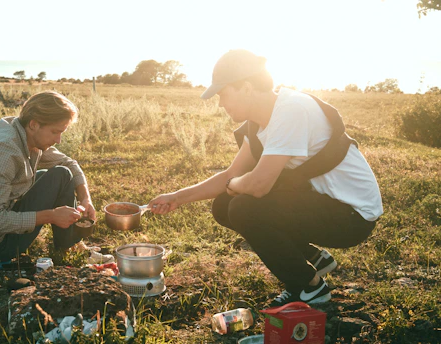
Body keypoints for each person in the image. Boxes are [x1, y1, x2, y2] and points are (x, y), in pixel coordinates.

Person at [148, 49, 383, 306]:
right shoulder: (258, 124)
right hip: (320, 202)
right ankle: (314, 257)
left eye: (223, 94)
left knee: (244, 206)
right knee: (224, 206)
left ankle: (309, 287)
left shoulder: (291, 110)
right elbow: (230, 175)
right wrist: (177, 197)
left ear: (246, 87)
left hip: (352, 216)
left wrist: (232, 185)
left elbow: (258, 186)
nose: (221, 104)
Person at [0, 91, 96, 264]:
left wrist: (85, 198)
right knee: (59, 175)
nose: (58, 140)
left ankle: (68, 244)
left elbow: (69, 163)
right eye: (55, 132)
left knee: (61, 174)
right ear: (34, 124)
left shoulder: (23, 132)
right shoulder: (3, 154)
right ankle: (68, 245)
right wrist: (51, 216)